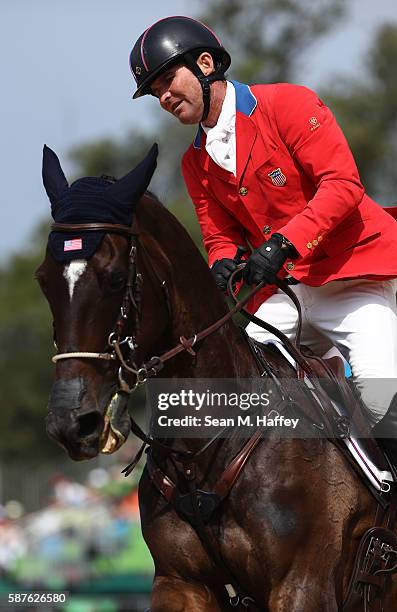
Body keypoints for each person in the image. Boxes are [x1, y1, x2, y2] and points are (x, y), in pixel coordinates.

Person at [129, 15, 397, 461]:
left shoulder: (287, 104)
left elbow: (343, 186)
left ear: (206, 63)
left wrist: (283, 244)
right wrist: (221, 264)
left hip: (349, 276)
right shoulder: (195, 163)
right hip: (282, 292)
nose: (164, 96)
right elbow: (219, 236)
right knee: (241, 398)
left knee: (384, 391)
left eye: (166, 80)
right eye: (155, 92)